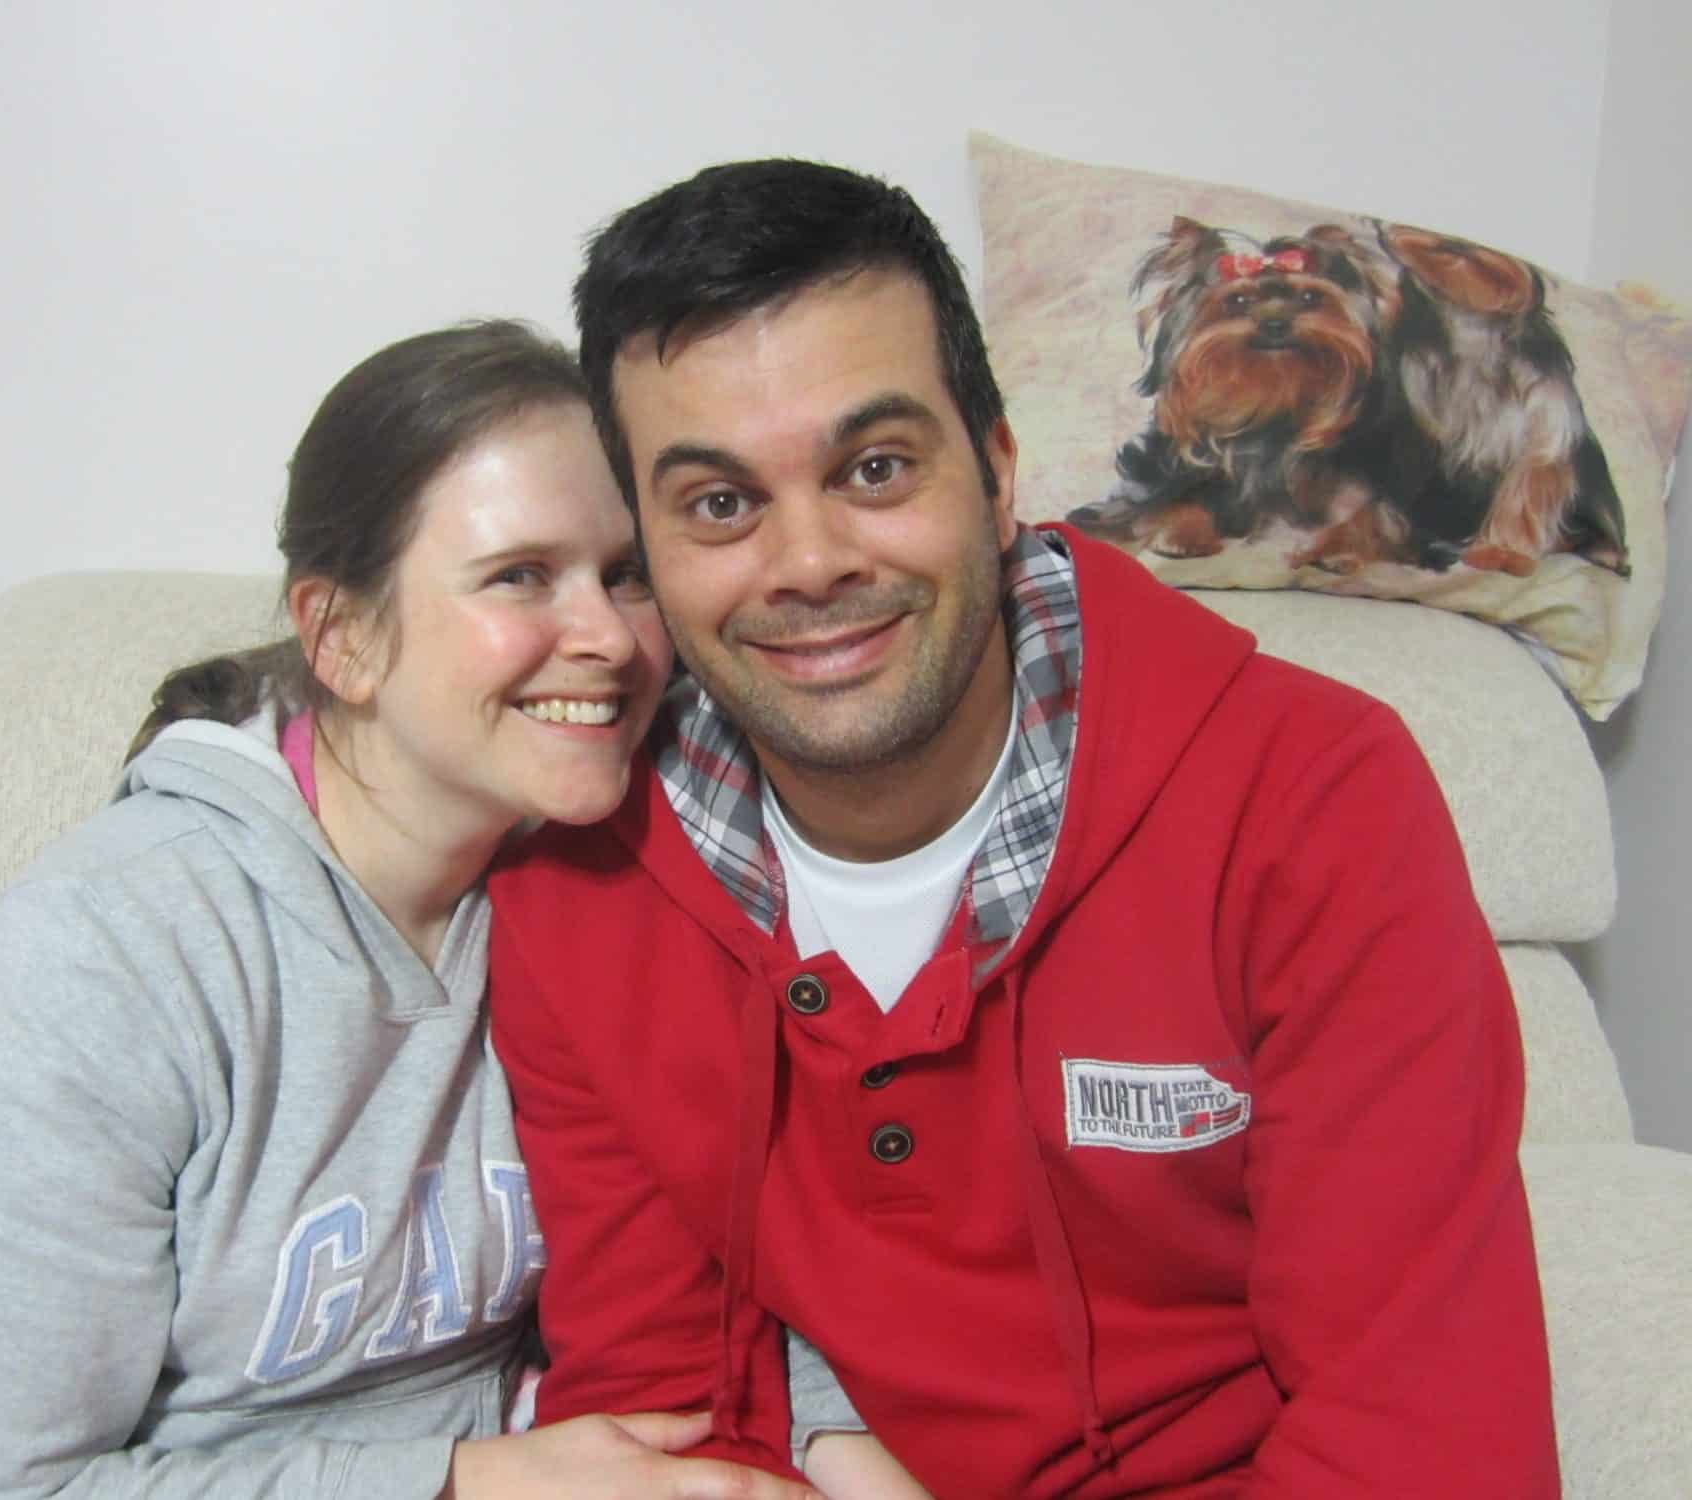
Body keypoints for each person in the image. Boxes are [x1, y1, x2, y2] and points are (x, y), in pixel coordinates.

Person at [485, 163, 1563, 1497]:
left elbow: (1425, 1445)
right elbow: (659, 1424)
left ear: (996, 476)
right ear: (643, 549)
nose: (809, 562)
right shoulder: (573, 889)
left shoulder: (1316, 803)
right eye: (718, 503)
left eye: (875, 468)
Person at [0, 321, 832, 1499]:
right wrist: (467, 1483)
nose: (611, 640)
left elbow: (780, 1235)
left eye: (624, 574)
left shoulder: (633, 878)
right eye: (520, 576)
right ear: (341, 636)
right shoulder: (104, 951)